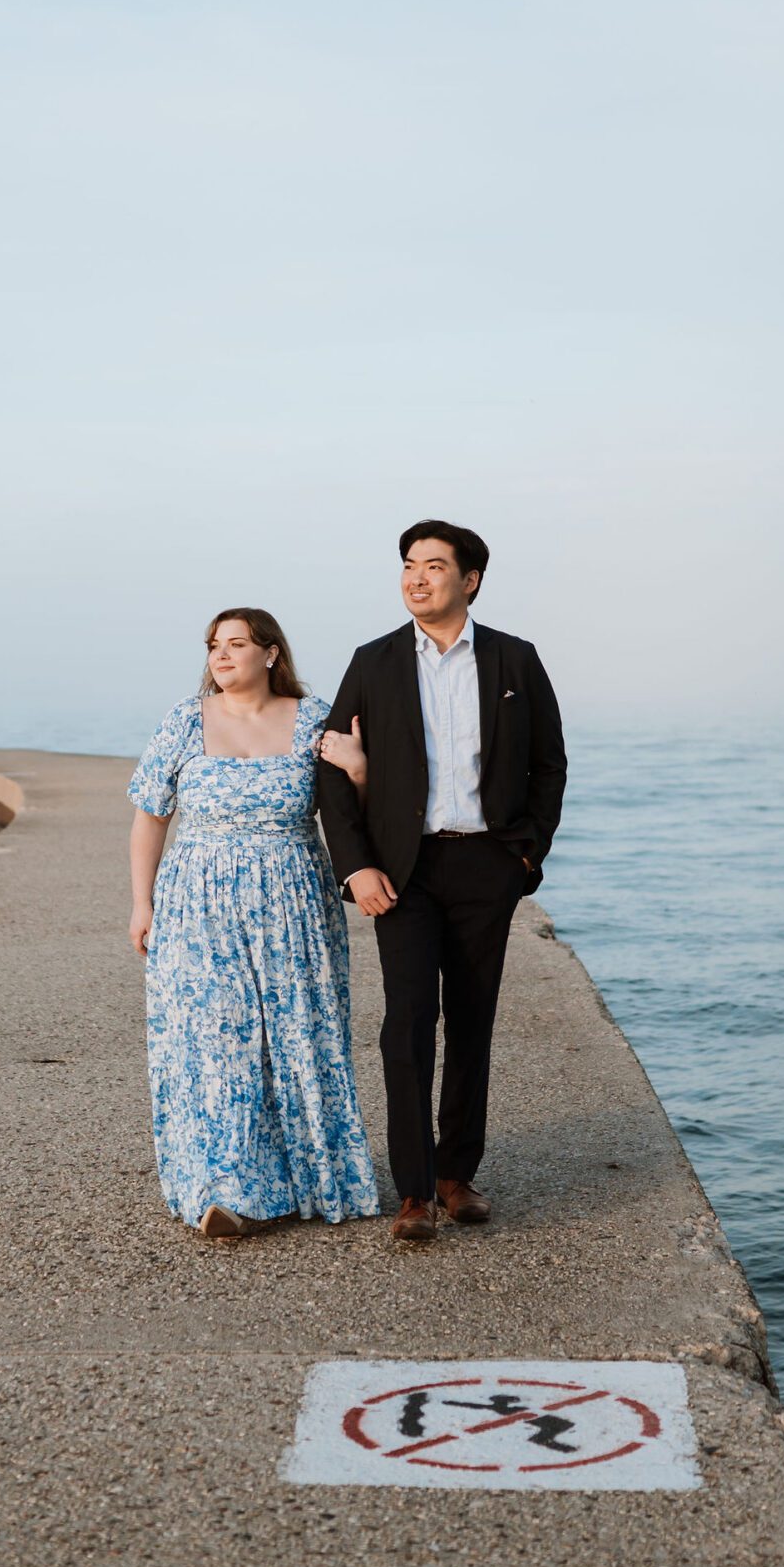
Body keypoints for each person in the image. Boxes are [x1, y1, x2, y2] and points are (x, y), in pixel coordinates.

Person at [315, 520, 566, 1243]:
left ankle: (458, 1177)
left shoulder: (514, 661)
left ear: (470, 580)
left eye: (432, 566)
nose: (416, 577)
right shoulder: (373, 662)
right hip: (405, 871)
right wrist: (356, 865)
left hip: (486, 864)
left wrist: (524, 854)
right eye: (407, 566)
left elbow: (549, 765)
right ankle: (413, 1192)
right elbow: (333, 770)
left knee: (471, 1023)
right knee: (406, 1024)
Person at [127, 608, 380, 1240]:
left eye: (237, 643)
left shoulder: (314, 717)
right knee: (217, 1043)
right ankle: (222, 1189)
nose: (221, 654)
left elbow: (360, 813)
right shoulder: (186, 719)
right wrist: (142, 903)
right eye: (214, 644)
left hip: (293, 903)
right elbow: (151, 816)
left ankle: (307, 1179)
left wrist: (360, 769)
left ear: (270, 654)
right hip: (196, 903)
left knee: (298, 1038)